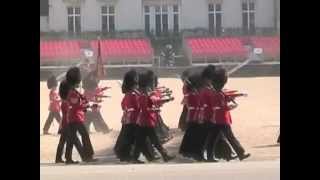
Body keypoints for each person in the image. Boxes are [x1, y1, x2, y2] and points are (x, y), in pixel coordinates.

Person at [206, 68, 251, 161]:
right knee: (230, 137)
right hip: (221, 119)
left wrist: (239, 95)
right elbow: (221, 107)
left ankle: (210, 156)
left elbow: (227, 96)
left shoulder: (217, 92)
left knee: (213, 139)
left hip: (218, 119)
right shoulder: (217, 93)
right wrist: (231, 107)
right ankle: (240, 153)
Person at [131, 69, 175, 163]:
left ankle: (136, 158)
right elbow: (145, 108)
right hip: (145, 121)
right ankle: (164, 155)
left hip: (146, 121)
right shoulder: (143, 95)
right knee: (154, 141)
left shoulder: (145, 94)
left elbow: (153, 101)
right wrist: (155, 109)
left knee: (143, 141)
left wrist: (166, 100)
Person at [200, 65, 236, 162]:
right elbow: (213, 102)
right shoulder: (207, 89)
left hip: (214, 115)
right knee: (213, 138)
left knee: (218, 137)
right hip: (210, 116)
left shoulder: (210, 88)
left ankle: (227, 154)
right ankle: (210, 155)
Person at [66, 67, 97, 162]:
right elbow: (76, 104)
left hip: (75, 117)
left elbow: (81, 102)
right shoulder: (72, 93)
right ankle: (88, 156)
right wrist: (88, 105)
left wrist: (89, 105)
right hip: (75, 117)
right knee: (84, 134)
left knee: (72, 138)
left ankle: (69, 158)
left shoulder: (74, 92)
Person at [55, 80, 86, 164]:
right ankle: (81, 157)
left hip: (65, 123)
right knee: (74, 140)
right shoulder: (66, 102)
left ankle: (59, 158)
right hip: (68, 123)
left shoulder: (65, 101)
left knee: (64, 140)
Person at [179, 71, 206, 161]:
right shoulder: (193, 94)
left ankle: (186, 152)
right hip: (195, 116)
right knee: (198, 137)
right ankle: (197, 154)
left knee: (190, 135)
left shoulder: (191, 93)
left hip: (192, 116)